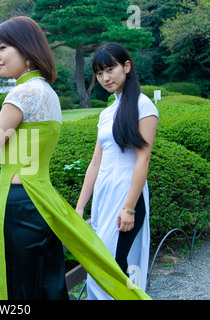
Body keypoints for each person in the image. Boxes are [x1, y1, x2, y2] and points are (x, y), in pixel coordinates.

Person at [0, 17, 151, 300]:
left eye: (3, 47)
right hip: (43, 202)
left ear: (27, 50)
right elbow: (28, 162)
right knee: (49, 287)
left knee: (21, 290)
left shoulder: (22, 93)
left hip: (21, 208)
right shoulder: (48, 94)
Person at [75, 42, 159, 300]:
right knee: (97, 265)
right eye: (99, 73)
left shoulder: (144, 106)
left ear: (126, 66)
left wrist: (130, 207)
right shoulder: (106, 113)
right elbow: (95, 164)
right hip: (104, 197)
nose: (105, 78)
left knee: (114, 269)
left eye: (110, 69)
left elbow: (142, 160)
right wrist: (80, 208)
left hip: (127, 198)